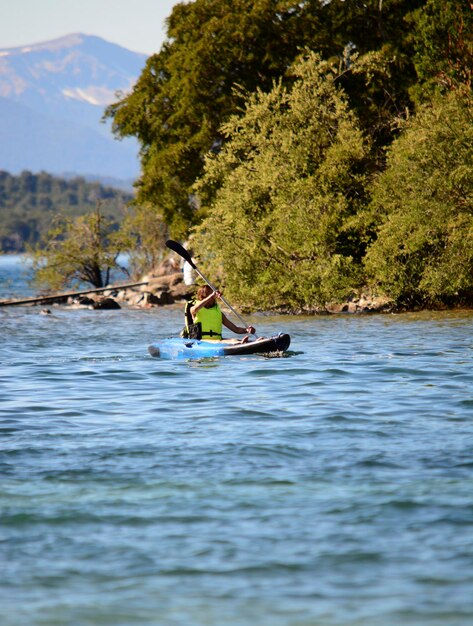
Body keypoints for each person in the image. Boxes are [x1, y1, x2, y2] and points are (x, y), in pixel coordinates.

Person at [189, 284, 256, 341]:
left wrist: (247, 330)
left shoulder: (218, 314)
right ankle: (240, 343)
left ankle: (246, 343)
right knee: (232, 341)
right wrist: (211, 296)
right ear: (202, 297)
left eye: (212, 294)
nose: (212, 298)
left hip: (217, 341)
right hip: (201, 341)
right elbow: (195, 309)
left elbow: (236, 329)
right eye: (209, 294)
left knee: (234, 340)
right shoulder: (194, 309)